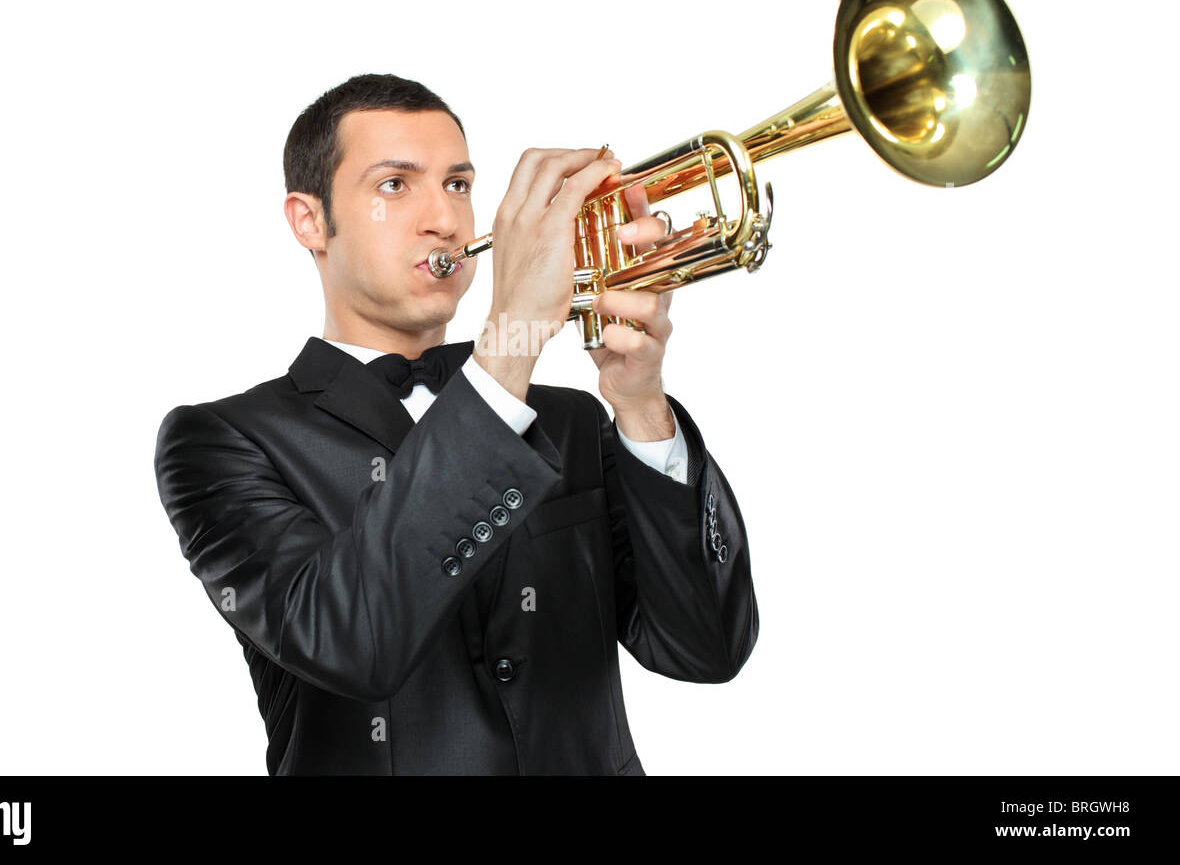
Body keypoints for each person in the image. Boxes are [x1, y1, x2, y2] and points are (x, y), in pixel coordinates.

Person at [153, 73, 759, 775]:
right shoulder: (220, 441)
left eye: (461, 184)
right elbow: (349, 639)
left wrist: (642, 403)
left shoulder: (571, 420)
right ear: (308, 221)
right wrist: (511, 340)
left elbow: (707, 648)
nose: (444, 217)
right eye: (394, 185)